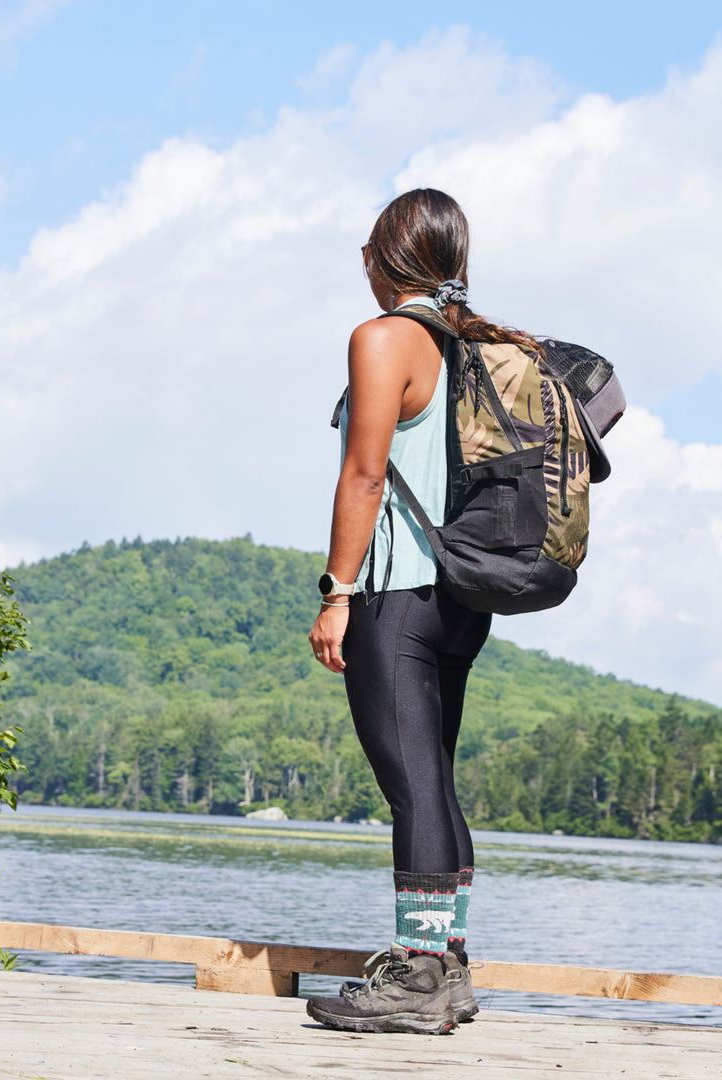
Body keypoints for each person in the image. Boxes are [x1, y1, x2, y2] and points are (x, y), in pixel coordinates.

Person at [304, 188, 536, 1035]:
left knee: (413, 789)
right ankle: (452, 969)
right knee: (432, 779)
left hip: (394, 594)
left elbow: (364, 476)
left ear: (382, 258)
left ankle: (418, 978)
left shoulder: (383, 340)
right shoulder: (475, 346)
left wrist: (336, 591)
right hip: (462, 602)